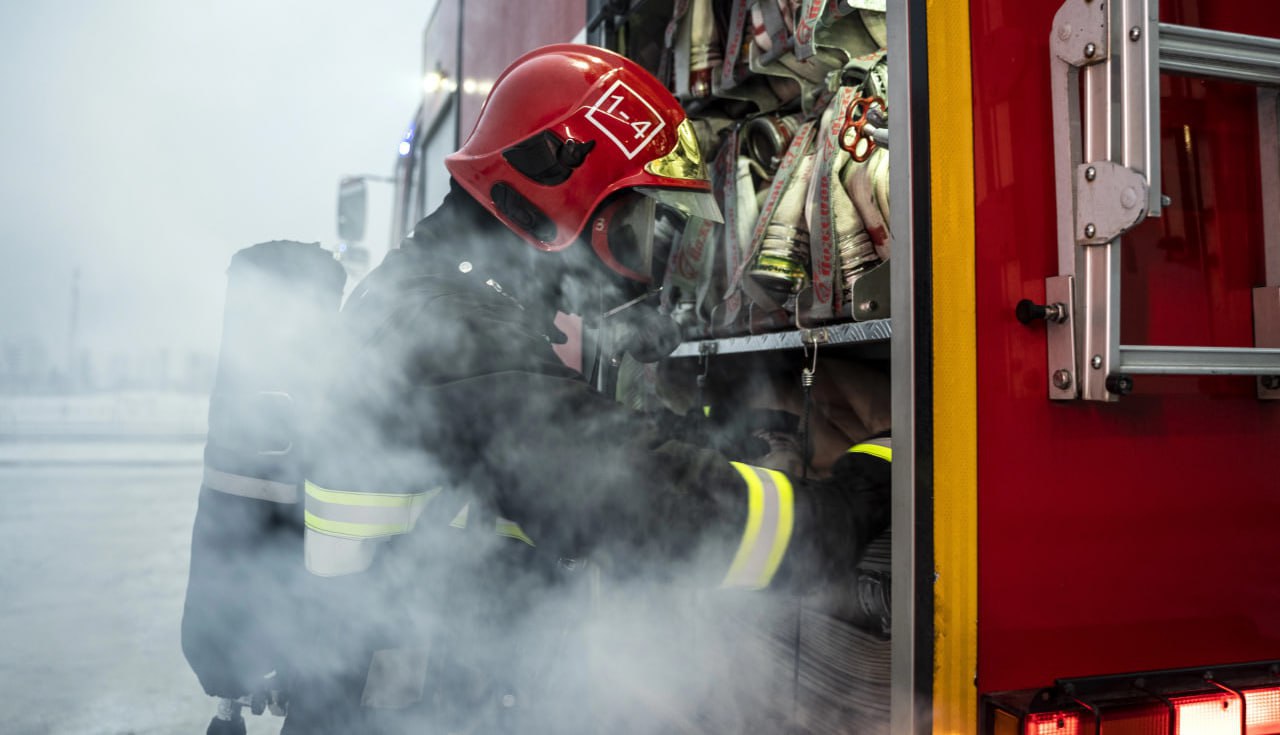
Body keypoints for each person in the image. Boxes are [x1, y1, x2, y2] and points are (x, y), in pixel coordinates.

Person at [189, 43, 892, 735]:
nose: (646, 264)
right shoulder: (454, 327)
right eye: (638, 226)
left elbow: (539, 450)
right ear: (560, 192)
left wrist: (705, 439)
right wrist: (844, 508)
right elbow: (640, 504)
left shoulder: (430, 293)